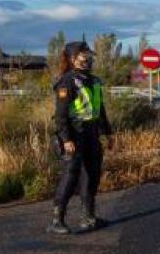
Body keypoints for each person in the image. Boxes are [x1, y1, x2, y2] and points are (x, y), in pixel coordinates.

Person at [48, 41, 113, 235]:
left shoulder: (93, 81)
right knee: (70, 175)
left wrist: (108, 133)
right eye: (83, 56)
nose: (87, 59)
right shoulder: (66, 81)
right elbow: (60, 116)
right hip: (74, 135)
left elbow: (100, 110)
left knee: (91, 176)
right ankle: (56, 220)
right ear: (72, 58)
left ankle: (88, 218)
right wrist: (66, 139)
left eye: (88, 55)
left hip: (91, 135)